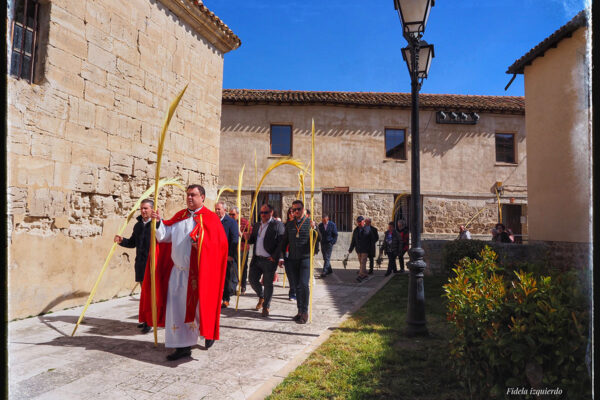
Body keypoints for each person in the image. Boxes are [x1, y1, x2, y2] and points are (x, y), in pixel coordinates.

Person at [140, 185, 228, 360]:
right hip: (178, 272)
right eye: (188, 195)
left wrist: (201, 245)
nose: (189, 198)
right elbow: (164, 236)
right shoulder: (180, 216)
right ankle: (182, 346)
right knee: (177, 310)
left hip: (199, 275)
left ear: (202, 197)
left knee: (199, 308)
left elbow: (220, 246)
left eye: (193, 195)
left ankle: (207, 333)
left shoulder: (210, 219)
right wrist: (158, 223)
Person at [114, 198, 155, 334]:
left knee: (151, 295)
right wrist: (122, 241)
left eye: (146, 208)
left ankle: (150, 321)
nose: (143, 211)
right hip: (141, 264)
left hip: (152, 265)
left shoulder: (157, 225)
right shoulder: (138, 226)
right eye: (142, 208)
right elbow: (132, 243)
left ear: (152, 210)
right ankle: (145, 319)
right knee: (144, 294)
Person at [277, 200, 315, 324]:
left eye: (298, 209)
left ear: (303, 210)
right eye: (294, 210)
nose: (296, 212)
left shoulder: (310, 223)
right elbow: (284, 242)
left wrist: (315, 229)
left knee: (304, 284)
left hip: (305, 258)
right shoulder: (289, 225)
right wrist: (282, 257)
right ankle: (299, 311)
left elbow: (318, 238)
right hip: (292, 259)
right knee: (296, 286)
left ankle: (305, 311)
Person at [247, 204, 285, 317]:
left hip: (269, 260)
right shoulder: (257, 225)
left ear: (271, 212)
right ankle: (261, 296)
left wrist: (276, 256)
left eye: (266, 212)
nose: (263, 215)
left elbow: (281, 243)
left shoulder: (277, 225)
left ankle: (266, 306)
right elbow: (252, 240)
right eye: (261, 212)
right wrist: (246, 236)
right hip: (256, 259)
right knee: (252, 280)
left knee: (268, 284)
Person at [215, 202, 239, 308]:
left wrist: (231, 254)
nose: (217, 211)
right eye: (216, 209)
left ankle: (226, 299)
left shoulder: (231, 222)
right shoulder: (213, 221)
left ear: (224, 210)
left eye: (219, 209)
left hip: (226, 255)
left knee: (226, 278)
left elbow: (234, 239)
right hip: (214, 254)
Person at [229, 206, 251, 295]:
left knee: (243, 267)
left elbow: (248, 237)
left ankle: (243, 286)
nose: (231, 216)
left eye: (233, 214)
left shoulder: (244, 223)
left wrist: (240, 233)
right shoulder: (229, 222)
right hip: (233, 248)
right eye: (230, 214)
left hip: (242, 248)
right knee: (233, 268)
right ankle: (233, 287)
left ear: (238, 214)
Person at [348, 216, 373, 282]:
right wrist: (351, 249)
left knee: (363, 262)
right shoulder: (356, 230)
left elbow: (371, 239)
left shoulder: (367, 229)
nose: (359, 223)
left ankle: (360, 275)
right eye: (358, 222)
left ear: (363, 221)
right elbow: (353, 240)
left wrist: (370, 248)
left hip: (365, 249)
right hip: (358, 249)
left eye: (360, 222)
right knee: (361, 262)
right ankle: (364, 274)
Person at [283, 207, 297, 301]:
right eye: (290, 212)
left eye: (293, 212)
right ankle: (292, 291)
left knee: (295, 275)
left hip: (296, 254)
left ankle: (294, 292)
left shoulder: (299, 225)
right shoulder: (285, 225)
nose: (291, 214)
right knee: (290, 275)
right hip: (287, 254)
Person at [318, 213, 338, 277]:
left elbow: (335, 234)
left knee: (327, 257)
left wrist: (332, 242)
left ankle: (324, 271)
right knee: (325, 257)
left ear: (327, 219)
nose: (323, 221)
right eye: (322, 220)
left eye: (325, 220)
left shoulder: (332, 225)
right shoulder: (320, 225)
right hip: (323, 243)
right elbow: (319, 234)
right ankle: (330, 270)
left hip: (329, 243)